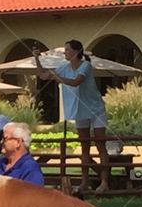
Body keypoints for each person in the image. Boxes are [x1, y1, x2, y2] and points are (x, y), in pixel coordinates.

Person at [34, 40, 109, 194]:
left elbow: (76, 82)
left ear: (75, 52)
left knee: (100, 144)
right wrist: (37, 59)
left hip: (96, 110)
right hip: (80, 111)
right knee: (85, 148)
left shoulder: (85, 66)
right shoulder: (64, 67)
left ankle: (105, 182)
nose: (65, 53)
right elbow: (43, 75)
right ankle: (84, 182)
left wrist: (59, 79)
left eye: (67, 50)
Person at [0, 121, 44, 186]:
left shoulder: (30, 169)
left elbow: (34, 194)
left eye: (5, 138)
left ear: (18, 142)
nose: (1, 142)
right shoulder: (1, 164)